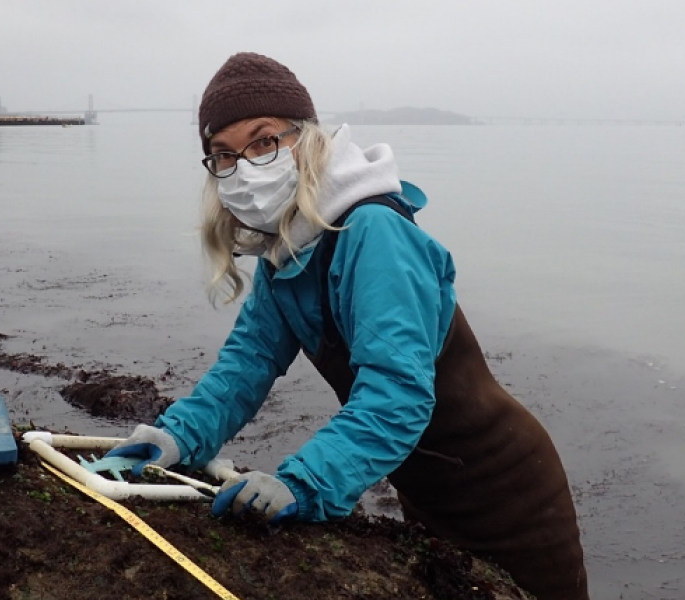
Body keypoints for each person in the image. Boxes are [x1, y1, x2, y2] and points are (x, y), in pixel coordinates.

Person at [105, 52, 589, 600]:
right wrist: (177, 437)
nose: (244, 167)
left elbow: (397, 396)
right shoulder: (286, 249)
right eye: (224, 155)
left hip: (509, 493)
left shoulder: (375, 232)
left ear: (306, 138)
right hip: (423, 484)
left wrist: (303, 482)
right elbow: (248, 363)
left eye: (264, 141)